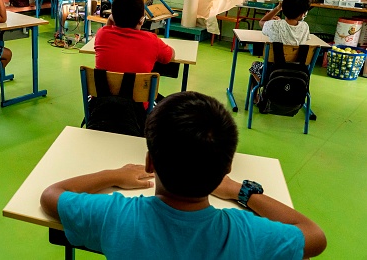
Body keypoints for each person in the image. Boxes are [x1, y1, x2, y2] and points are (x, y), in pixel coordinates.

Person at [41, 91, 327, 260]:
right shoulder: (246, 233)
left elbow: (52, 195)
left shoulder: (115, 215)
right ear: (225, 169)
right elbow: (315, 236)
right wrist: (242, 192)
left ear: (149, 162)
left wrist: (112, 174)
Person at [95, 0, 174, 73]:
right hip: (137, 86)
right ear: (141, 20)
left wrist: (110, 20)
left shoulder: (102, 34)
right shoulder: (152, 41)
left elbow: (107, 29)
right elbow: (170, 56)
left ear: (113, 16)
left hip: (103, 86)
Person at [249, 0, 311, 77]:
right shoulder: (305, 27)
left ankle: (263, 86)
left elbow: (261, 22)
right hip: (297, 72)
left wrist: (277, 9)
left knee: (255, 64)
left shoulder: (274, 25)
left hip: (273, 70)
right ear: (303, 14)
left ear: (284, 8)